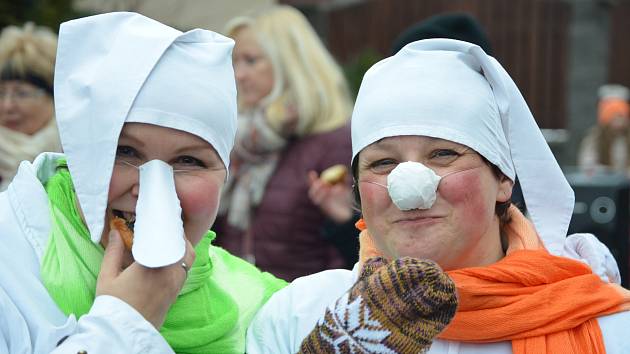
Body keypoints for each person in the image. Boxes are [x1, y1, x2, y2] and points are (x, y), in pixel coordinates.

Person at [246, 39, 630, 353]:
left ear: (502, 180)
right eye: (382, 163)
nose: (410, 189)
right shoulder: (299, 316)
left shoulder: (612, 329)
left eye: (443, 154)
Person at [0, 12, 285, 354]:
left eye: (188, 161)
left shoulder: (266, 309)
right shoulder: (11, 270)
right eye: (125, 151)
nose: (152, 190)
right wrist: (124, 324)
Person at [213, 5, 357, 281]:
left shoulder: (335, 139)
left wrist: (345, 220)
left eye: (251, 61)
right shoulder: (235, 137)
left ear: (289, 63)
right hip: (237, 301)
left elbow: (365, 247)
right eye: (234, 63)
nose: (238, 74)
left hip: (304, 307)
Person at [0, 22, 61, 191]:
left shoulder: (74, 160)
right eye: (1, 93)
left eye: (21, 93)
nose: (7, 106)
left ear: (52, 97)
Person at [578, 84, 630, 176]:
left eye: (621, 117)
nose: (618, 122)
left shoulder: (626, 137)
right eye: (614, 118)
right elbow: (587, 164)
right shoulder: (595, 137)